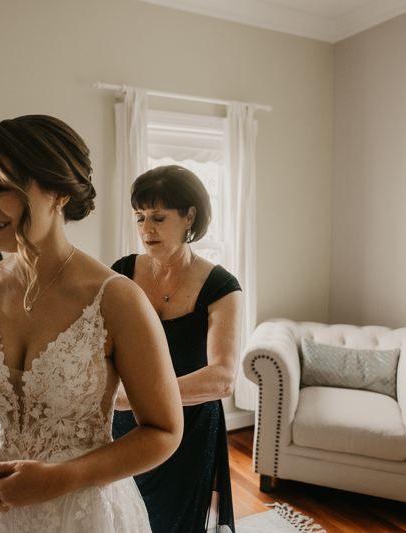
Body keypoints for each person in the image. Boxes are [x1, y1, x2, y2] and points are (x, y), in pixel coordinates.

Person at [0, 115, 183, 533]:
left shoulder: (116, 299)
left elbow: (164, 431)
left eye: (0, 186)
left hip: (81, 511)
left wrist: (61, 478)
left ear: (56, 191)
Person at [112, 165, 243, 533]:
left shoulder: (221, 287)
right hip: (124, 426)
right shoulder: (120, 274)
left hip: (189, 431)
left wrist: (142, 397)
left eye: (158, 217)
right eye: (139, 218)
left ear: (190, 217)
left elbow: (222, 380)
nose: (146, 230)